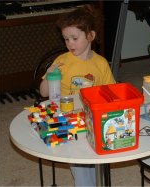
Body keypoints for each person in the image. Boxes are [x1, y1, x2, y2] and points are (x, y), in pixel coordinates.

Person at [39, 4, 116, 186]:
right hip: (66, 117)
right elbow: (43, 92)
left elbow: (110, 93)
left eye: (74, 38)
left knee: (97, 150)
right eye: (66, 39)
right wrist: (49, 75)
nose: (70, 44)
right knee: (79, 156)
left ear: (91, 36)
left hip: (91, 116)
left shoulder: (101, 63)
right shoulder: (62, 62)